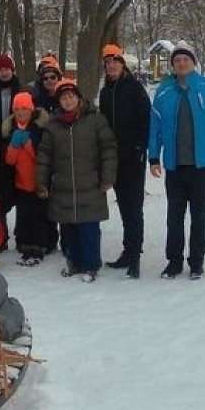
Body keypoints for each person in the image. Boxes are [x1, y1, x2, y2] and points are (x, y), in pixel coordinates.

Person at [148, 40, 205, 280]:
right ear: (173, 65)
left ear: (193, 62)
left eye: (185, 59)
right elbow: (155, 128)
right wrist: (154, 157)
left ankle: (196, 262)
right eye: (177, 60)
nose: (181, 63)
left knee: (199, 217)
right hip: (175, 167)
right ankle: (173, 262)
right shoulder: (164, 92)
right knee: (174, 218)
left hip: (201, 166)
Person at [36, 79, 117, 283]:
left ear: (79, 98)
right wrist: (42, 182)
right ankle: (73, 262)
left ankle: (90, 265)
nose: (68, 100)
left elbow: (108, 149)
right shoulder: (53, 125)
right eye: (63, 97)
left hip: (90, 183)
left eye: (71, 96)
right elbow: (44, 156)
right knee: (68, 229)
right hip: (63, 185)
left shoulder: (95, 120)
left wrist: (107, 177)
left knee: (88, 228)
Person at [99, 43, 151, 279]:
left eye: (115, 62)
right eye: (108, 64)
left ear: (122, 64)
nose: (111, 66)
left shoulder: (135, 88)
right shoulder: (105, 92)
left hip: (134, 157)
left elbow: (145, 119)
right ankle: (127, 251)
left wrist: (141, 147)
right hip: (114, 157)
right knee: (123, 207)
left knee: (134, 207)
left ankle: (135, 256)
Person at [3, 92, 50, 266]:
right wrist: (14, 145)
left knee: (39, 215)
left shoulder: (38, 129)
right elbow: (9, 160)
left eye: (24, 108)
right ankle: (24, 244)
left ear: (31, 110)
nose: (21, 112)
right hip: (21, 182)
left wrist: (28, 144)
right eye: (17, 109)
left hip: (38, 180)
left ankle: (39, 246)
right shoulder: (11, 129)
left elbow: (41, 156)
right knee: (24, 215)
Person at [0, 54, 24, 210]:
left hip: (18, 144)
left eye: (6, 69)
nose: (3, 72)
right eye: (0, 70)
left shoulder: (22, 90)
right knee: (1, 193)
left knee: (20, 191)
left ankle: (22, 228)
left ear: (12, 70)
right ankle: (1, 229)